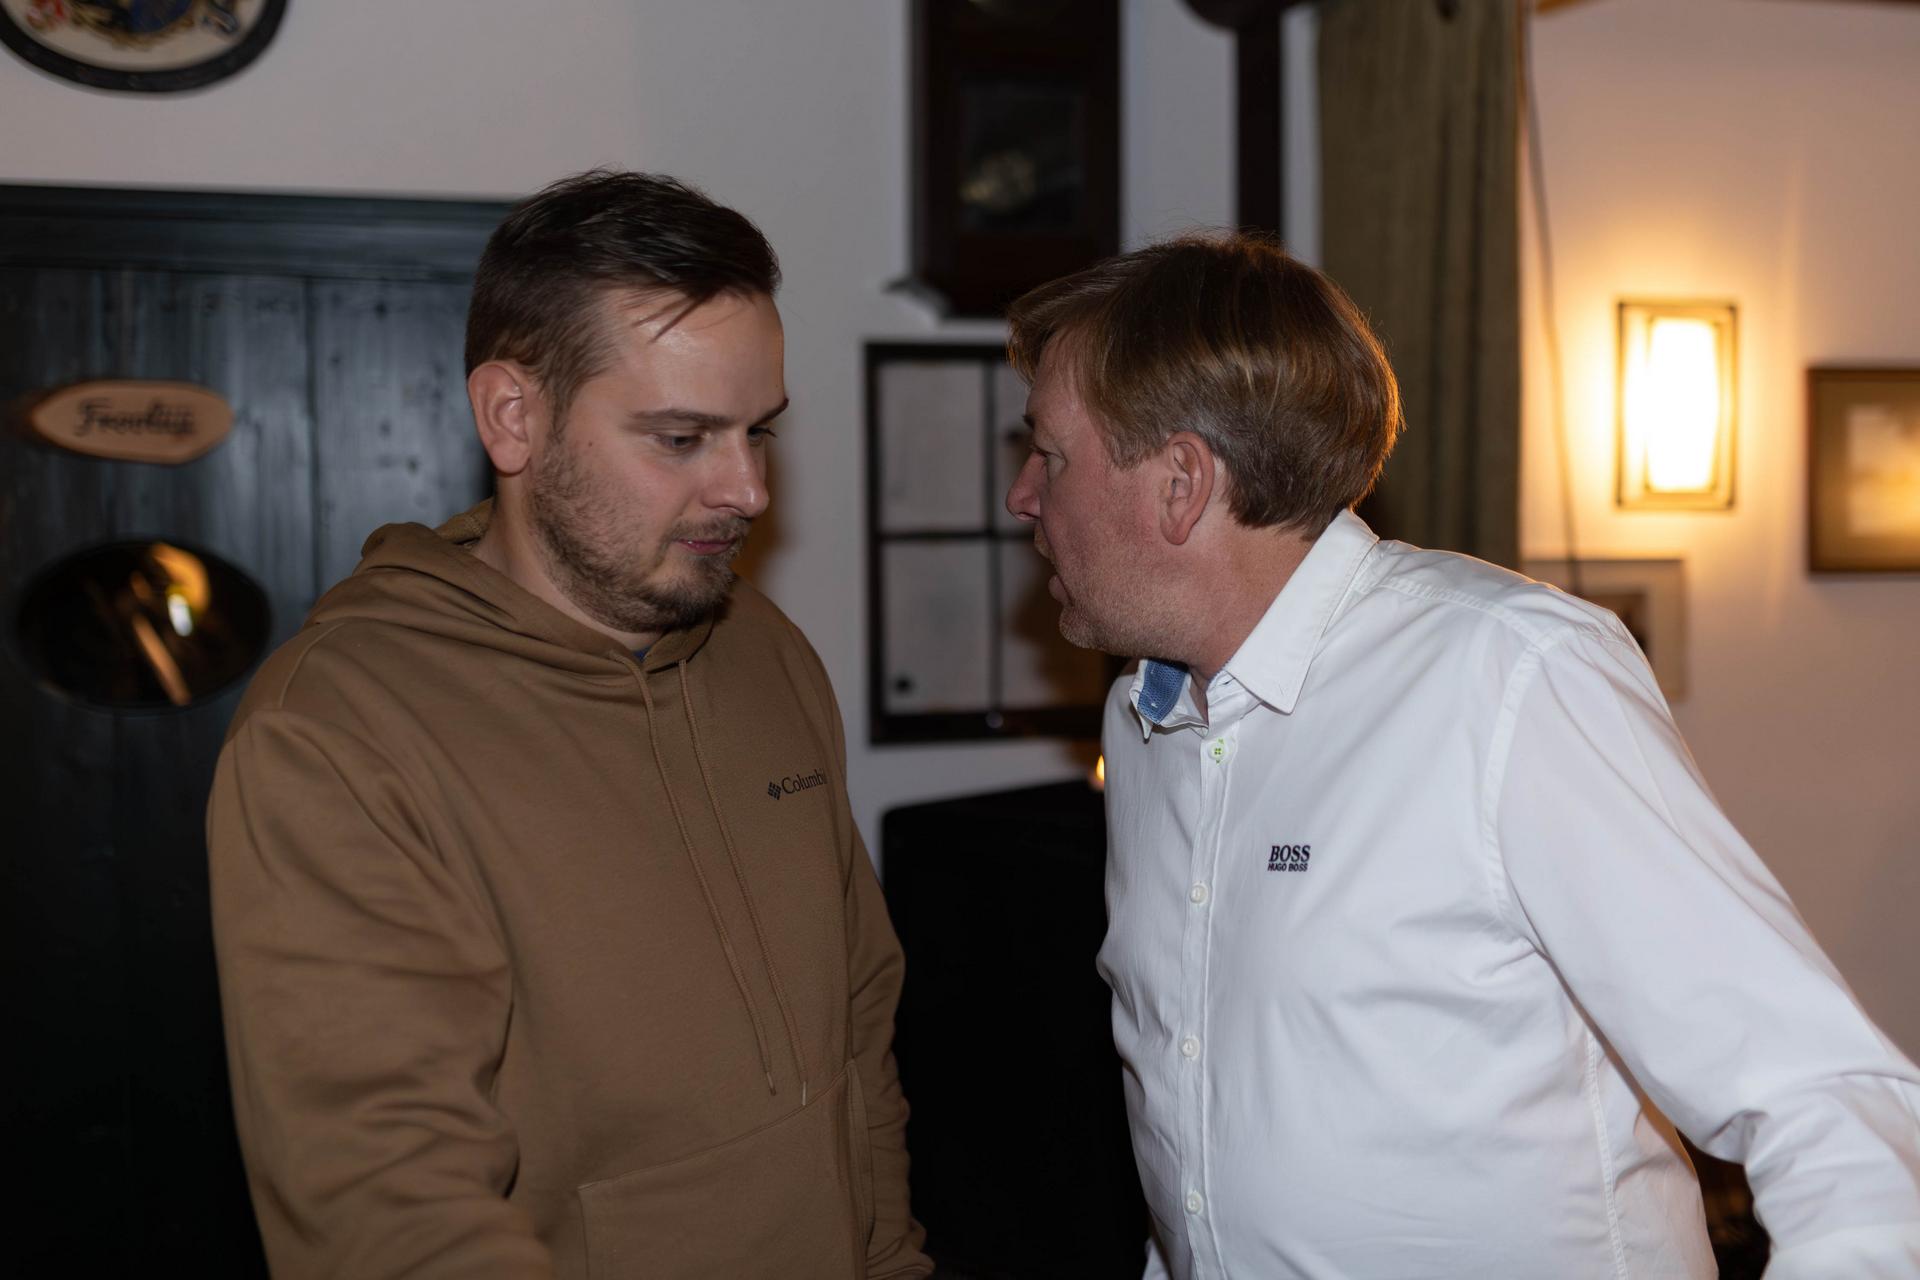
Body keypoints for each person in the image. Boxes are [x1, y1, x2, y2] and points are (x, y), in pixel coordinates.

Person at [1003, 232, 1920, 1279]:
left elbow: (1834, 1106)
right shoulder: (1144, 725)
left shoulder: (1510, 675)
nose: (1023, 495)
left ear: (1181, 481)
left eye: (1051, 455)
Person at [208, 170, 931, 1280]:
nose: (747, 488)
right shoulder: (337, 733)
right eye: (682, 437)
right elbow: (390, 1211)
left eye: (759, 432)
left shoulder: (765, 649)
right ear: (514, 416)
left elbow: (860, 1031)